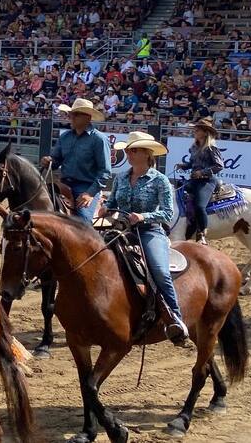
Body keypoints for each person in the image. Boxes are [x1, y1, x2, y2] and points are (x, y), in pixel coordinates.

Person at [98, 131, 190, 347]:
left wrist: (143, 216)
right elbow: (112, 202)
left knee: (158, 269)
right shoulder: (121, 177)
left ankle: (175, 318)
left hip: (149, 231)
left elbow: (167, 213)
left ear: (147, 154)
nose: (129, 153)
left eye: (134, 150)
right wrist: (105, 209)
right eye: (128, 150)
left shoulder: (160, 180)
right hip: (119, 229)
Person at [41, 98, 112, 223]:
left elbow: (105, 172)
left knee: (83, 222)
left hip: (85, 187)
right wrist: (49, 161)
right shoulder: (65, 137)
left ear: (88, 118)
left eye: (76, 114)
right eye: (71, 114)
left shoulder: (99, 139)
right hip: (63, 184)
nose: (71, 117)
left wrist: (89, 194)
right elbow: (56, 161)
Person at [175, 117, 223, 243]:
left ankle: (202, 232)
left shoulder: (211, 148)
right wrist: (184, 166)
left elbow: (219, 166)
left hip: (207, 181)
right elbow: (192, 163)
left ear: (205, 132)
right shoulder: (194, 147)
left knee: (199, 206)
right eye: (195, 129)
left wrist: (202, 172)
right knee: (177, 196)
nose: (194, 131)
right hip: (194, 180)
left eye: (197, 130)